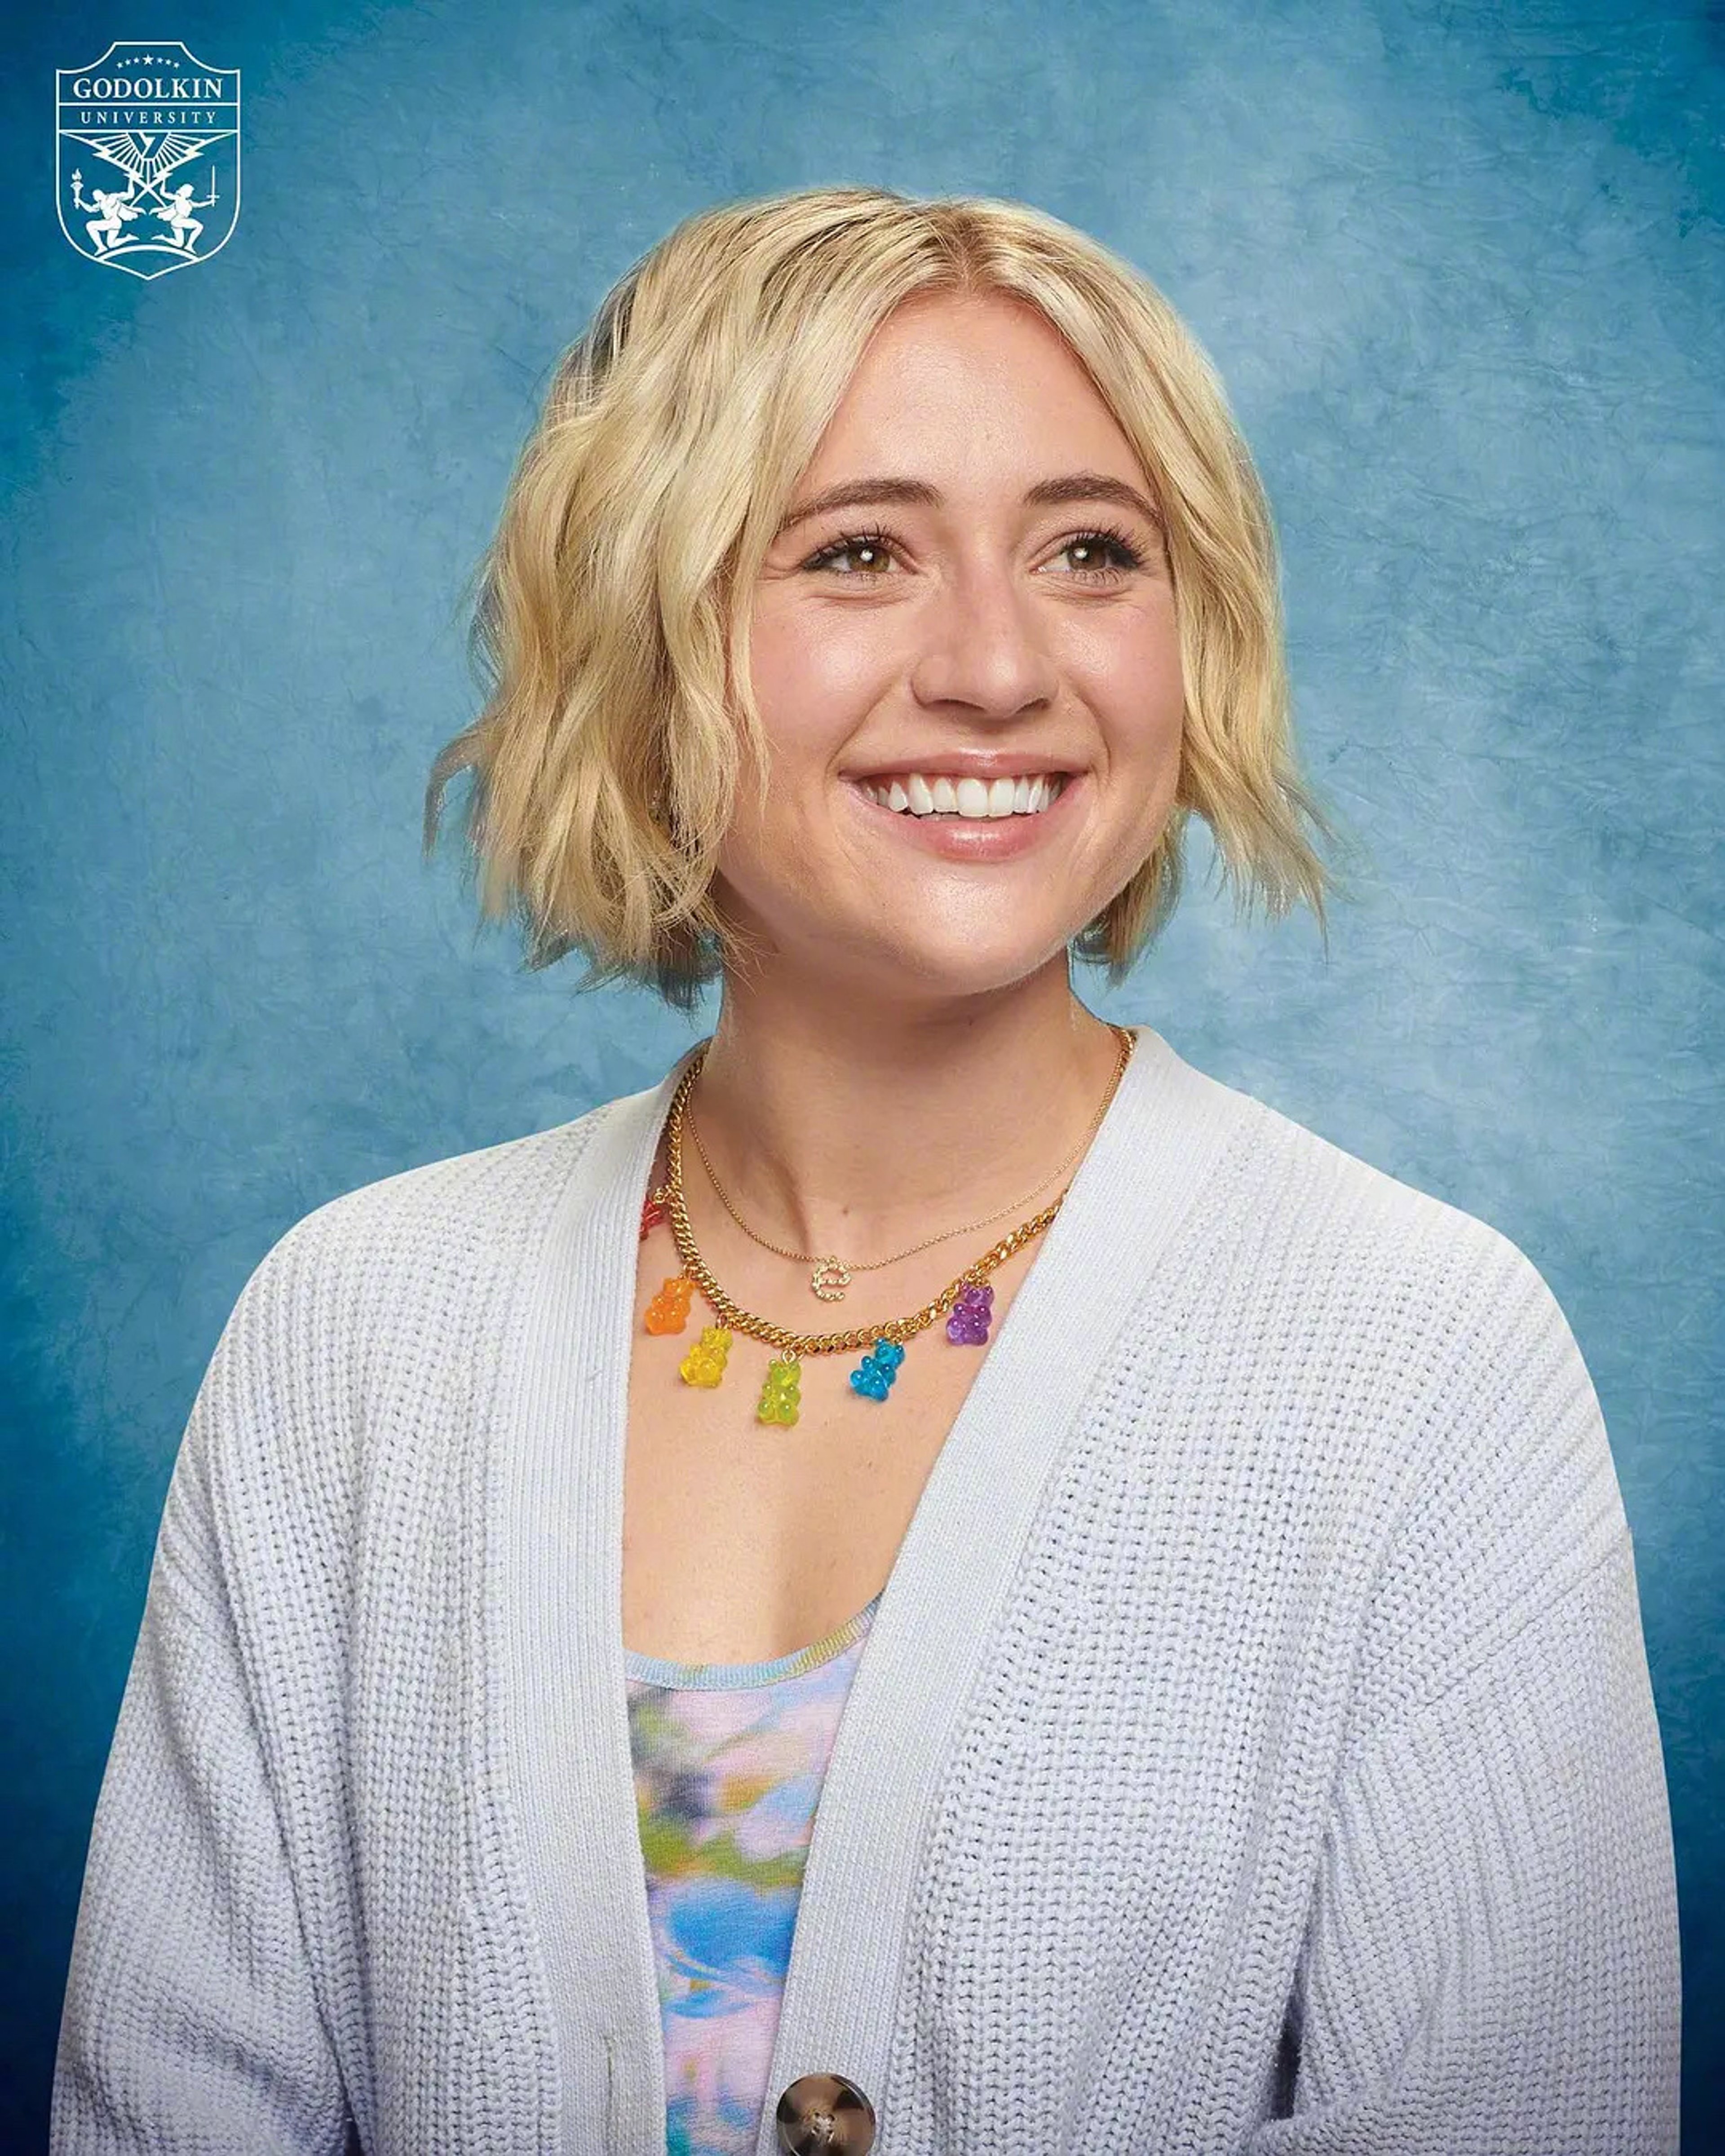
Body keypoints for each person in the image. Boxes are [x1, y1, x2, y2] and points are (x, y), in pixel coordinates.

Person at [51, 185, 1680, 2155]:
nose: (997, 667)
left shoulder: (1417, 1356)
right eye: (858, 553)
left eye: (1093, 550)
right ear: (645, 635)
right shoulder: (356, 1331)